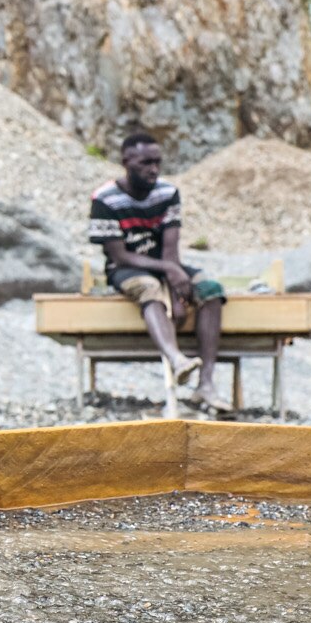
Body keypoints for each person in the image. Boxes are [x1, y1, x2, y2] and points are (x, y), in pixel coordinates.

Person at [87, 130, 227, 413]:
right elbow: (119, 254)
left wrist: (178, 290)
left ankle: (206, 384)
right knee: (149, 290)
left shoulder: (167, 193)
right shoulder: (105, 199)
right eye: (145, 163)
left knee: (211, 290)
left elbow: (170, 247)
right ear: (126, 162)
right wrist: (168, 272)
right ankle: (177, 360)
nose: (153, 170)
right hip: (126, 268)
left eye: (157, 163)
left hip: (165, 263)